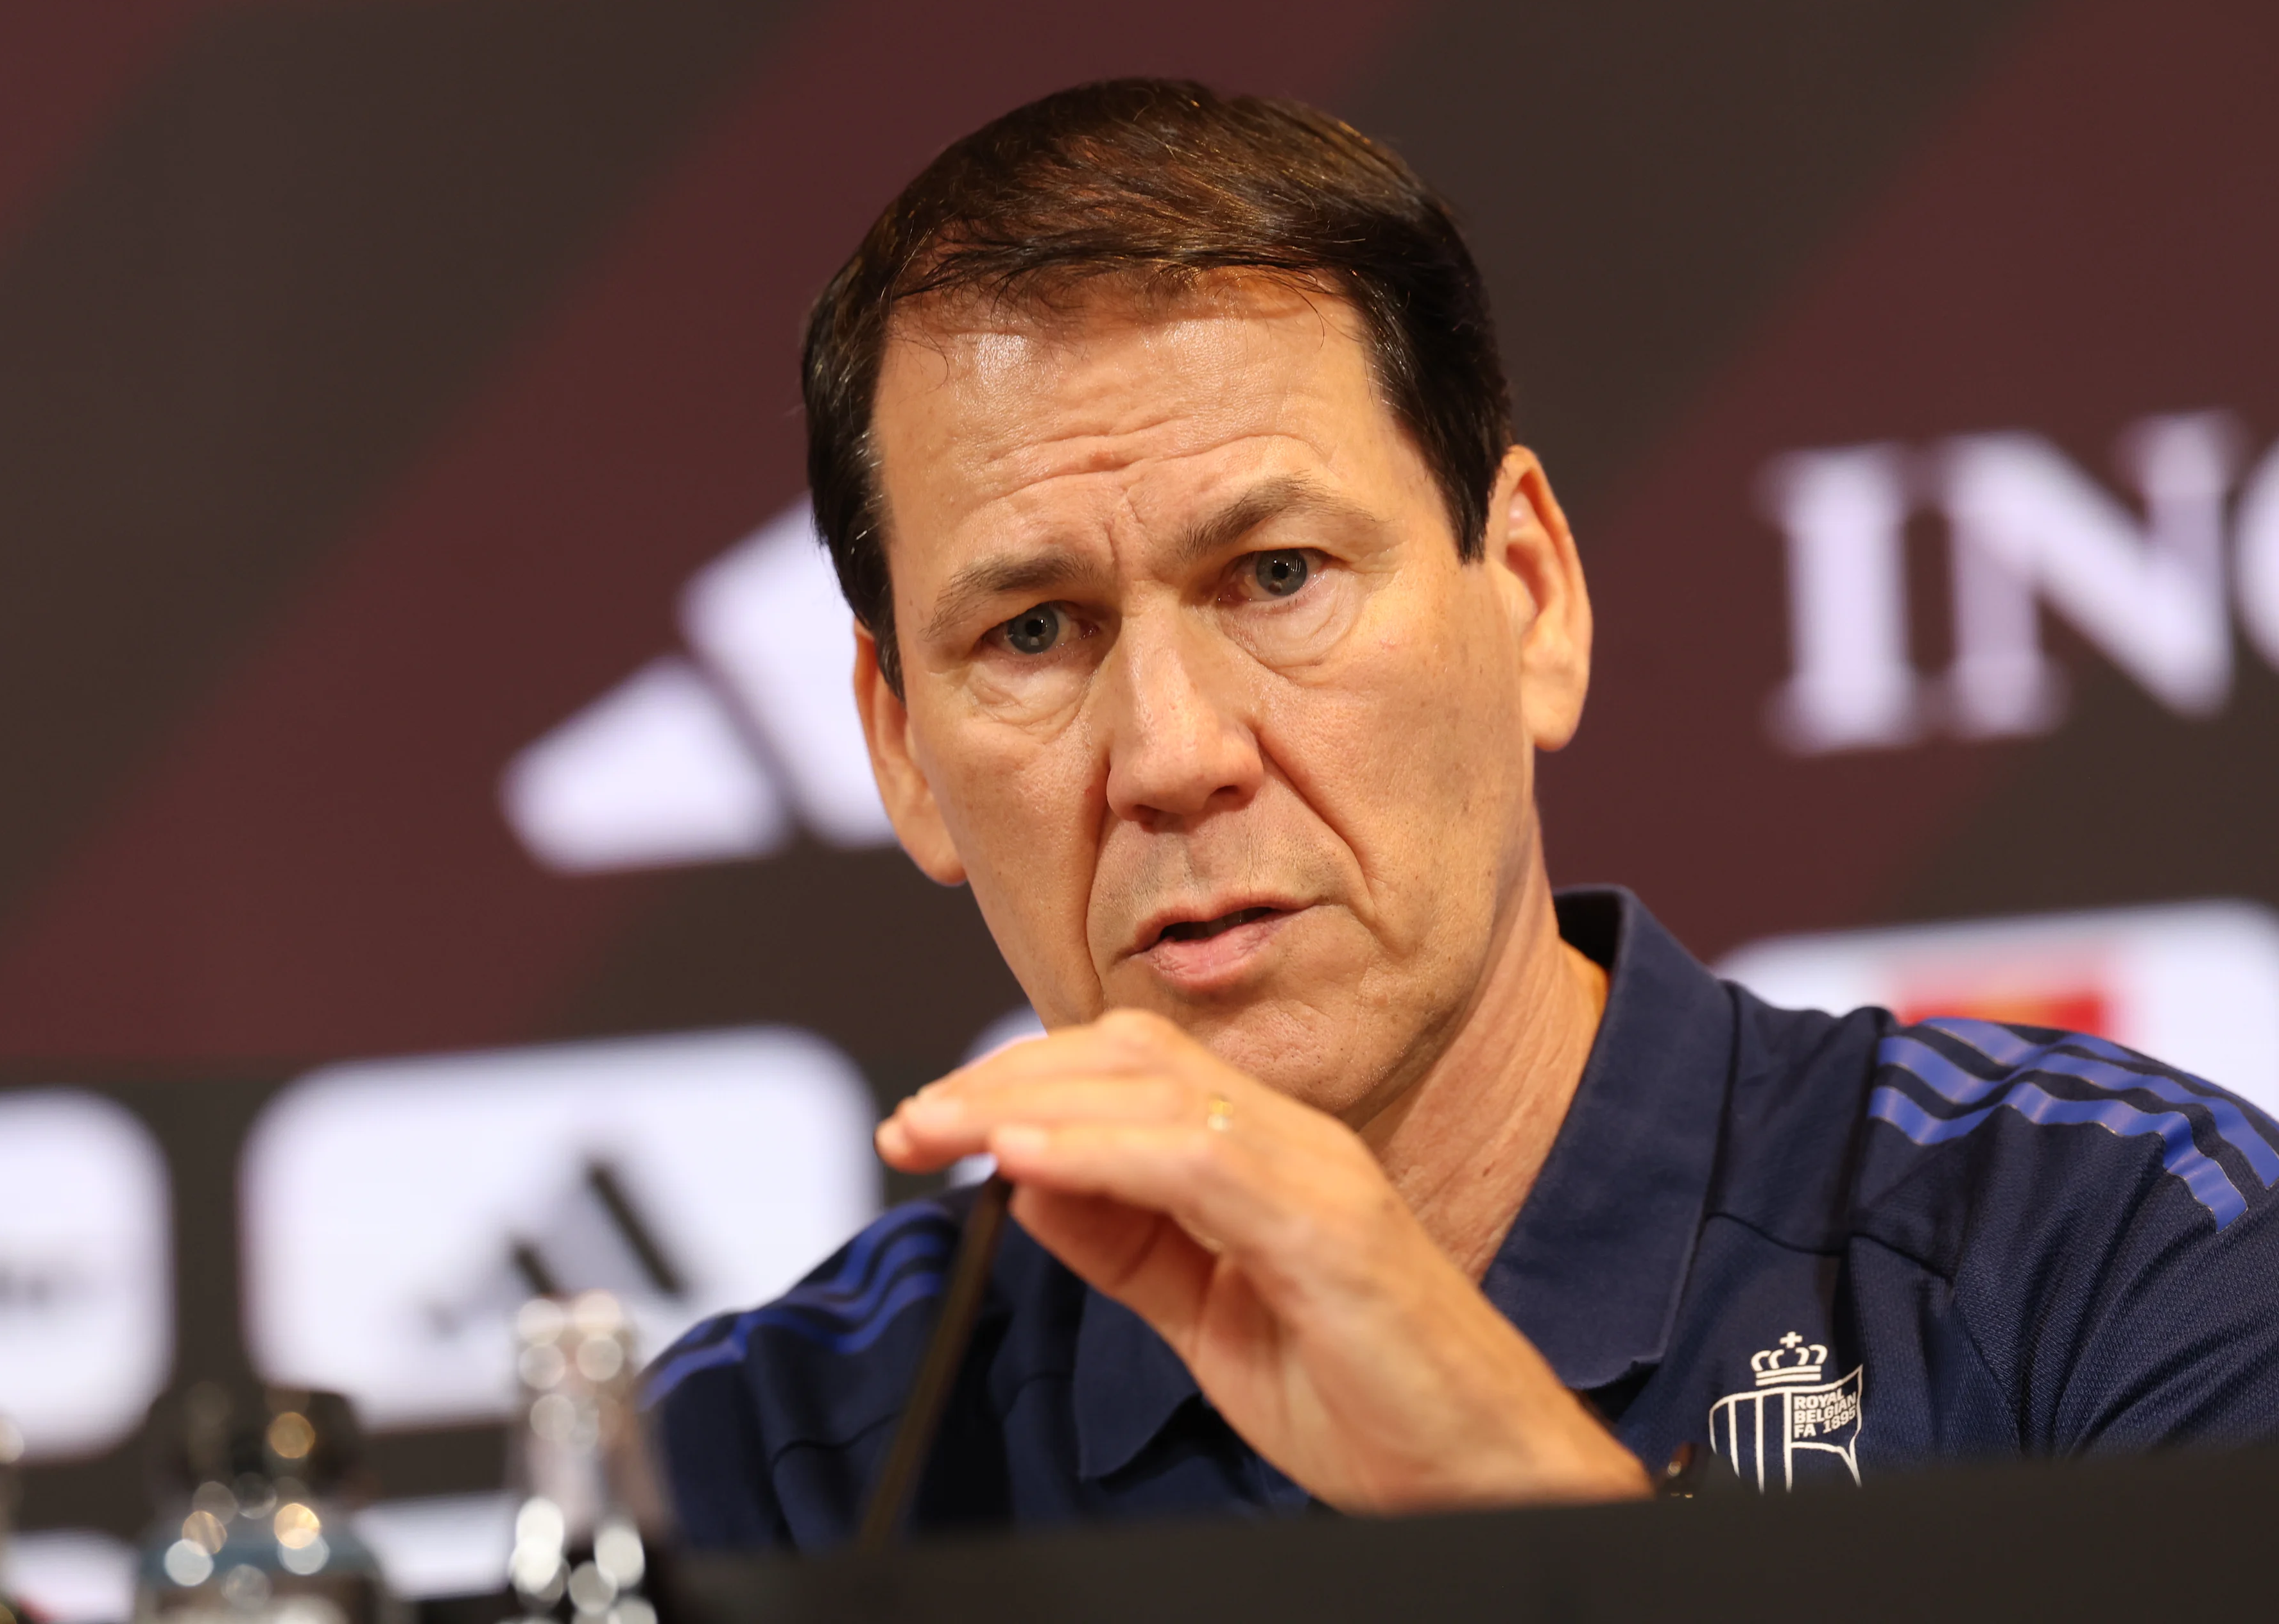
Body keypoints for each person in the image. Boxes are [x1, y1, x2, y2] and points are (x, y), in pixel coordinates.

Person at [644, 79, 2279, 1548]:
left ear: (1530, 595)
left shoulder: (2114, 1255)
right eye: (1033, 631)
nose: (1172, 753)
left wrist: (1508, 1494)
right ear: (906, 751)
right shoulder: (764, 1477)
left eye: (1276, 575)